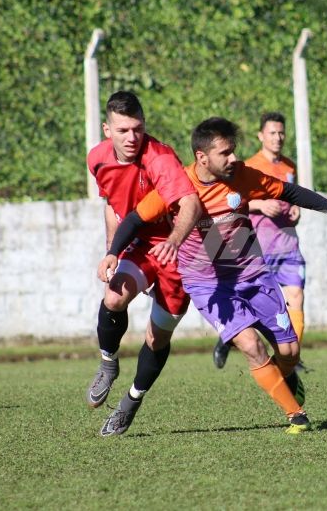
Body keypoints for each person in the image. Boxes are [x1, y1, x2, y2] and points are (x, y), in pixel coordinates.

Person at [98, 117, 327, 435]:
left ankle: (286, 378)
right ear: (202, 157)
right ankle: (296, 415)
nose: (233, 158)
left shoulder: (242, 177)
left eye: (233, 151)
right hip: (208, 285)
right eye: (225, 153)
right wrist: (113, 253)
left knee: (289, 352)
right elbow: (133, 219)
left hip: (253, 276)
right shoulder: (178, 185)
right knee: (251, 345)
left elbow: (291, 193)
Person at [85, 91, 202, 434]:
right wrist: (113, 250)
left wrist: (174, 241)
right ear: (108, 130)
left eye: (137, 128)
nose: (132, 137)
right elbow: (111, 203)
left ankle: (131, 402)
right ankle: (108, 363)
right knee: (113, 297)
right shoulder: (97, 159)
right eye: (123, 130)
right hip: (137, 243)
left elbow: (191, 205)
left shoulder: (160, 159)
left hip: (177, 250)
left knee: (157, 338)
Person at [212, 112, 307, 371]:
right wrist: (260, 205)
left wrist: (296, 210)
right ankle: (227, 339)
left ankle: (291, 358)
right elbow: (231, 201)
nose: (278, 138)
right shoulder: (247, 166)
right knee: (257, 307)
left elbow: (290, 197)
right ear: (260, 136)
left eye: (281, 133)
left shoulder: (289, 166)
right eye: (272, 133)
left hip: (288, 244)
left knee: (295, 297)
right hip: (259, 247)